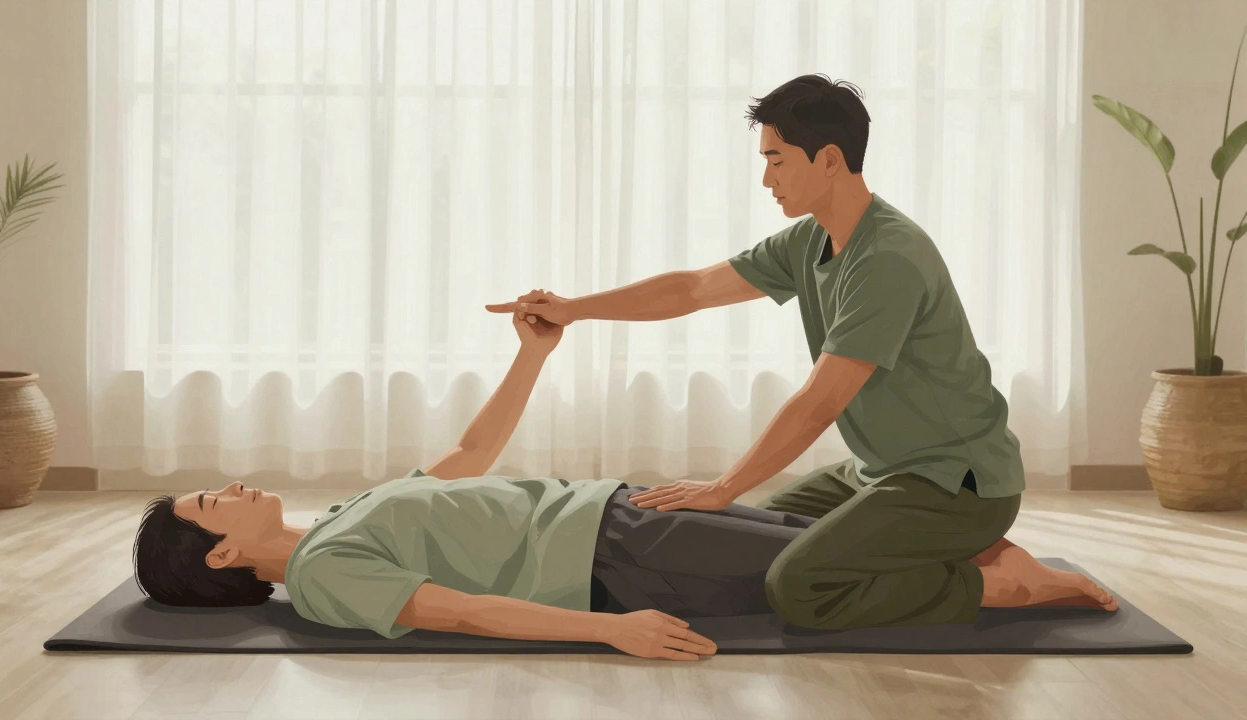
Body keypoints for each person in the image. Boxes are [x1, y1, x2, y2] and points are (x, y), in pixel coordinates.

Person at [486, 74, 1119, 631]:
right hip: (881, 472)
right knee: (752, 542)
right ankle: (973, 551)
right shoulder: (811, 239)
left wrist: (722, 486)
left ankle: (1006, 583)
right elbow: (693, 288)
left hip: (955, 483)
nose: (766, 178)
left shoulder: (888, 258)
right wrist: (573, 309)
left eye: (778, 160)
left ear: (831, 160)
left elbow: (820, 401)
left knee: (797, 586)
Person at [135, 308, 877, 662]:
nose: (230, 485)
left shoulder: (339, 517)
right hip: (614, 561)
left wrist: (533, 353)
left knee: (834, 540)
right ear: (222, 556)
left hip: (616, 510)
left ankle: (964, 547)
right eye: (211, 502)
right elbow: (460, 613)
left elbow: (472, 449)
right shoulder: (324, 574)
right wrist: (610, 629)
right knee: (840, 560)